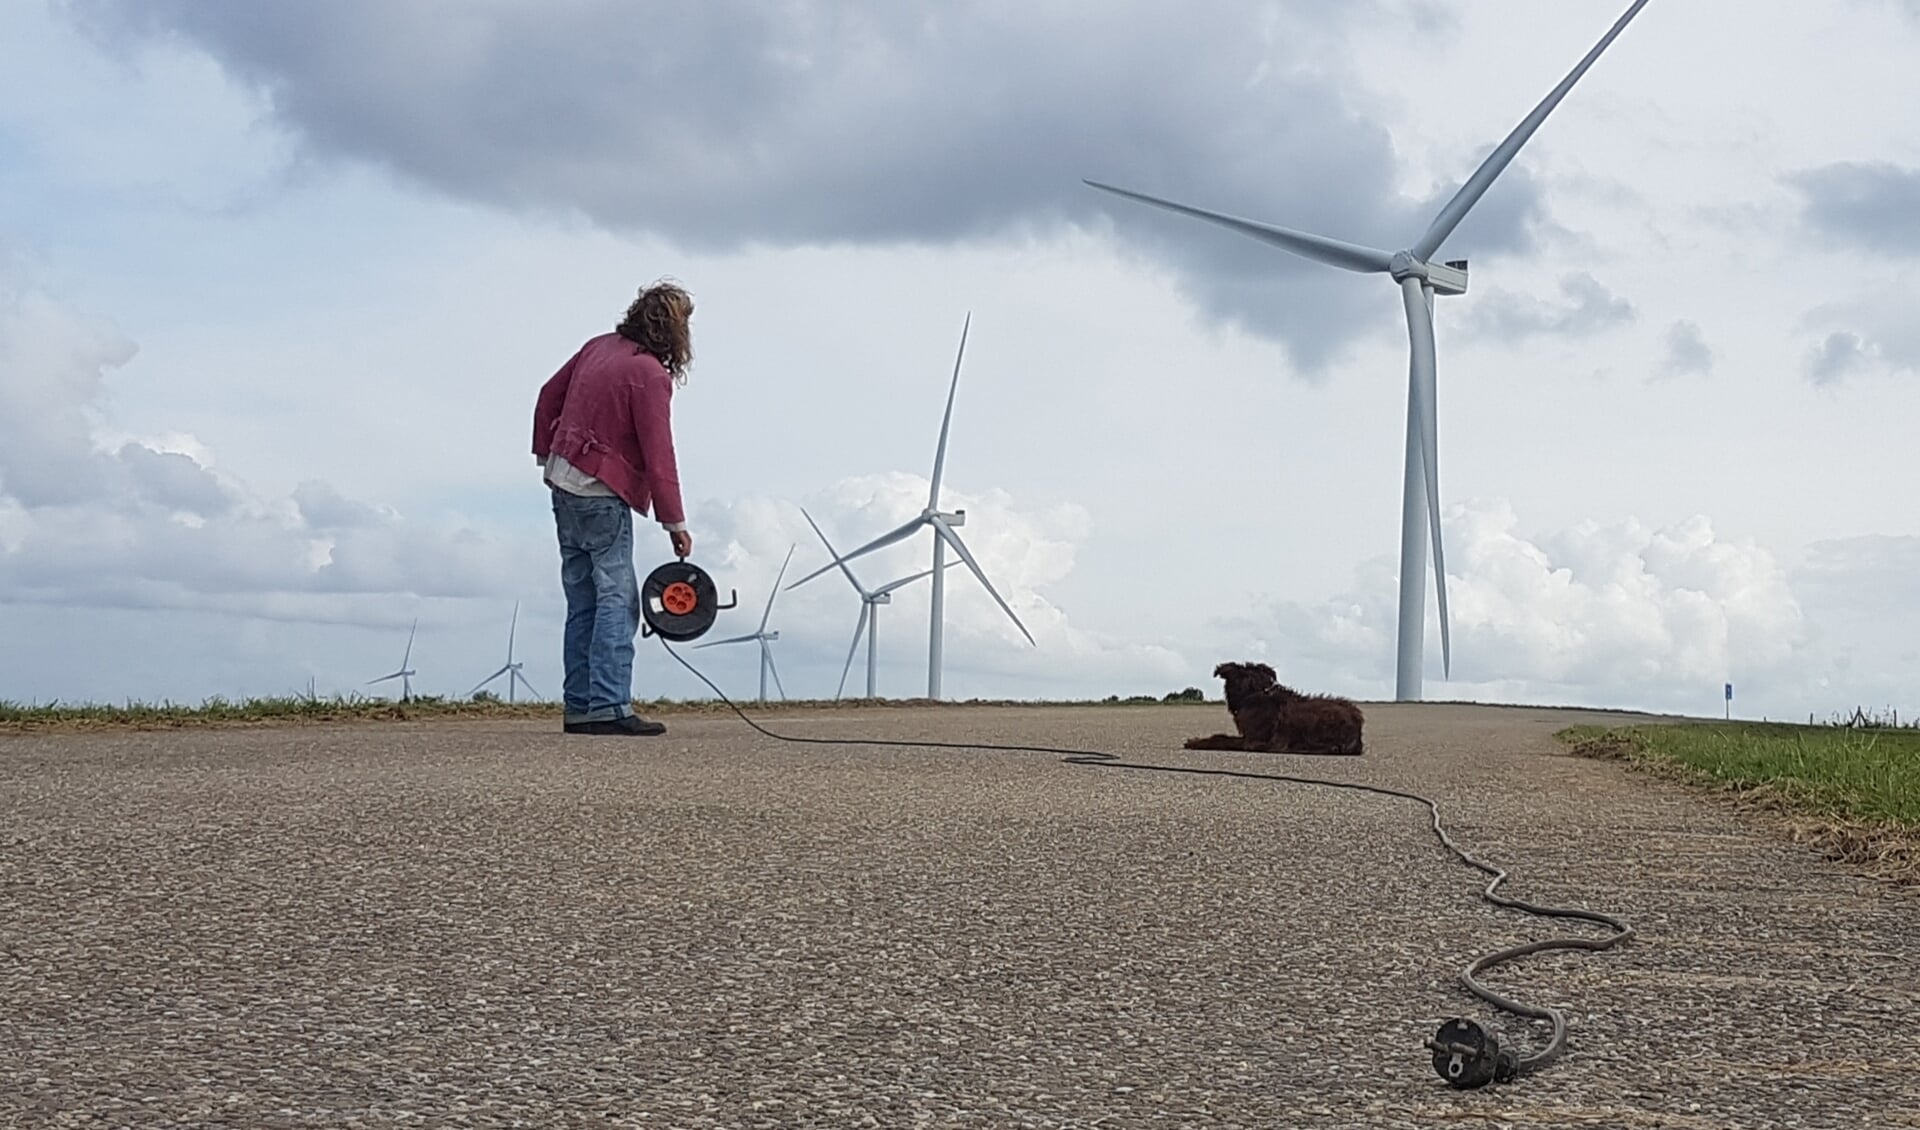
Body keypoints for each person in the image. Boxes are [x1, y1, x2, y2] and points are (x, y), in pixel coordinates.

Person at [531, 280, 696, 736]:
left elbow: (548, 394)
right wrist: (674, 522)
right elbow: (659, 452)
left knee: (581, 598)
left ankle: (579, 706)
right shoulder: (649, 375)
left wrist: (550, 453)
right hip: (602, 492)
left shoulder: (598, 347)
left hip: (563, 482)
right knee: (616, 598)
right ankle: (609, 703)